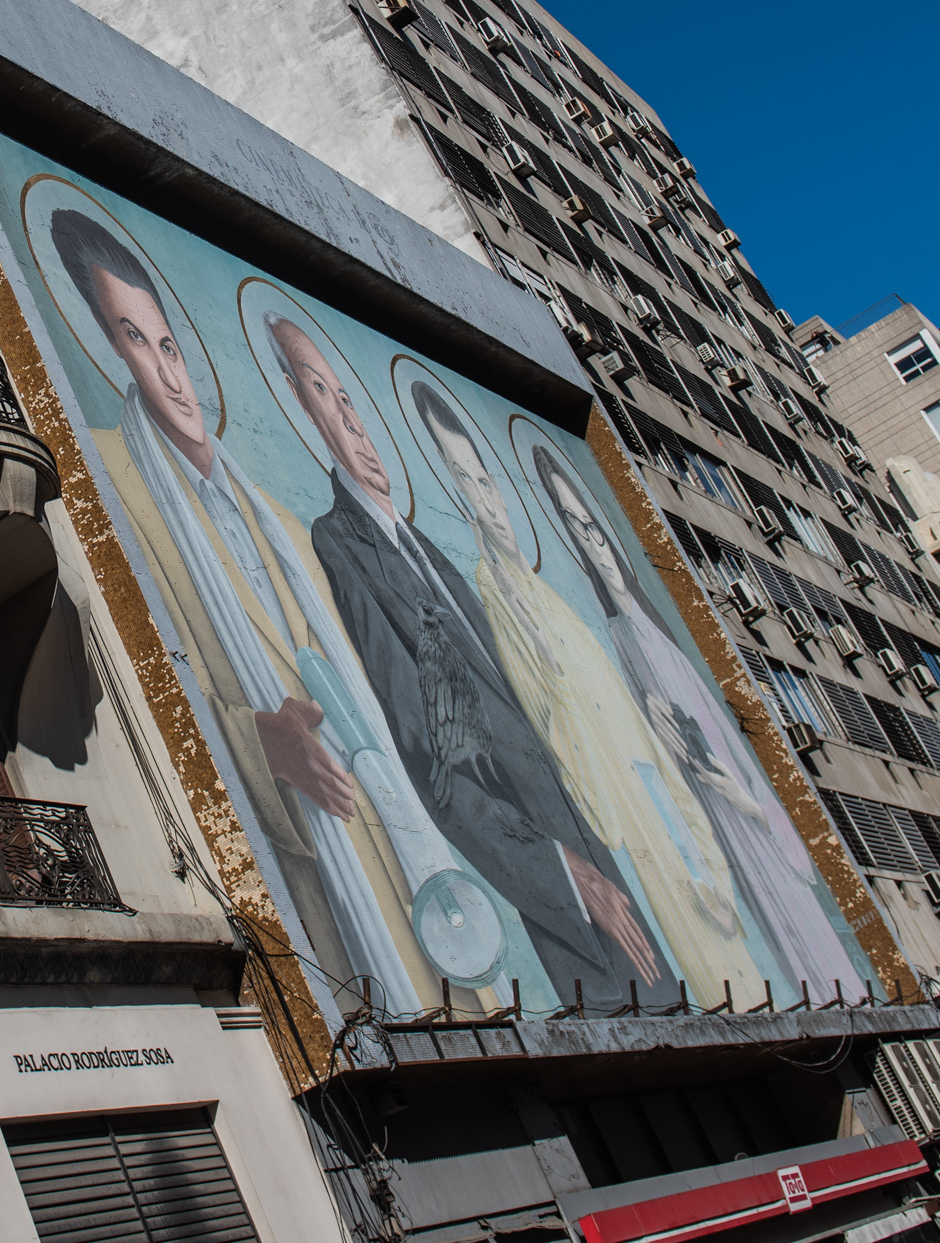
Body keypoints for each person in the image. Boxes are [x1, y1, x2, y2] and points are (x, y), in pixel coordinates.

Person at [50, 208, 426, 1011]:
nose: (170, 375)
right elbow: (127, 678)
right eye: (135, 342)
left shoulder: (285, 525)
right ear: (107, 351)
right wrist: (258, 739)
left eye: (171, 344)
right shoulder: (107, 476)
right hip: (303, 876)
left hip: (392, 857)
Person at [258, 308, 666, 999]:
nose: (353, 421)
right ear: (297, 407)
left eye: (349, 395)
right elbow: (432, 757)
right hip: (562, 887)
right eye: (321, 393)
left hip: (608, 847)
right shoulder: (339, 544)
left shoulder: (434, 554)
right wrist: (558, 872)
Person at [528, 436, 869, 997]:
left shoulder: (661, 630)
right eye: (573, 530)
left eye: (592, 526)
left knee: (822, 968)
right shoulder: (618, 639)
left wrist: (745, 799)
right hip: (712, 836)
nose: (591, 544)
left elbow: (734, 753)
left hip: (751, 824)